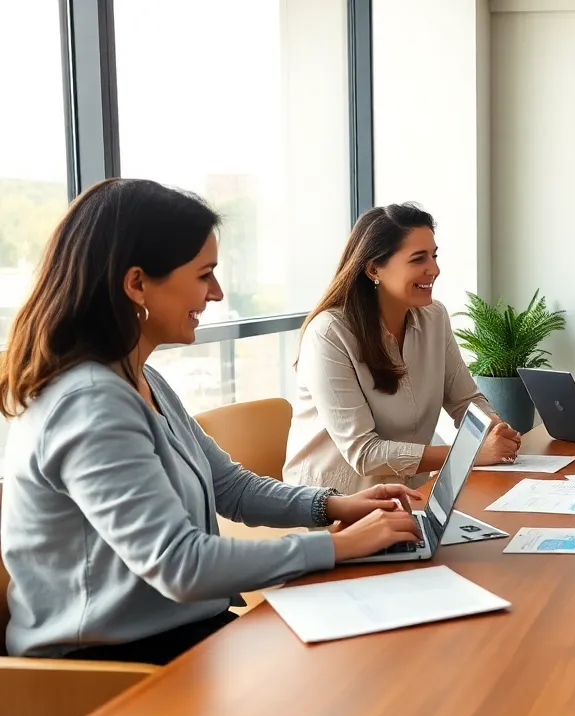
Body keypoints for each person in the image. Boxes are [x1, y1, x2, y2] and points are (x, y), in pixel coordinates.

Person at [0, 179, 425, 663]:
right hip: (109, 667)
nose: (218, 293)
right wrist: (339, 547)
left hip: (178, 634)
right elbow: (181, 564)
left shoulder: (141, 378)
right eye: (205, 275)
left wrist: (334, 506)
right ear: (136, 284)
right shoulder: (90, 404)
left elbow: (231, 487)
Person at [284, 203, 520, 495]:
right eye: (418, 259)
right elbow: (364, 453)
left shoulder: (434, 317)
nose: (434, 269)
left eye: (433, 256)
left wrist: (495, 429)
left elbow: (464, 400)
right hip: (335, 502)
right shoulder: (329, 333)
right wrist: (470, 453)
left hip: (410, 494)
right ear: (374, 269)